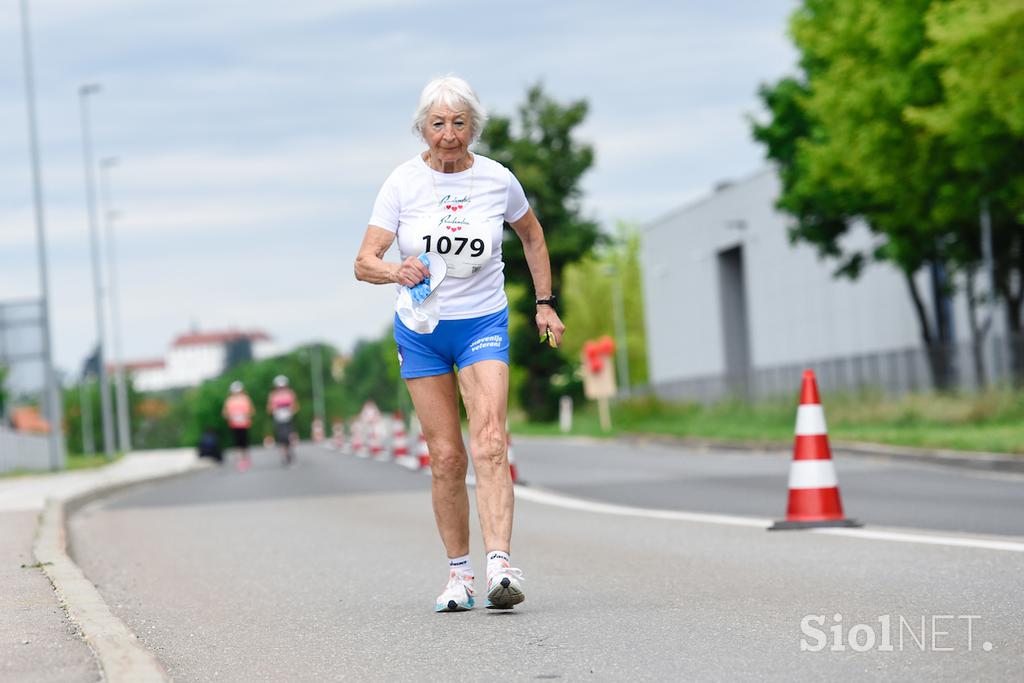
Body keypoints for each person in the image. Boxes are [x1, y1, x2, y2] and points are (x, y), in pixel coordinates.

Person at [354, 75, 565, 612]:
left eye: (459, 123)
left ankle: (500, 567)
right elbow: (363, 262)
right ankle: (459, 576)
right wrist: (394, 271)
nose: (448, 134)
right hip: (423, 331)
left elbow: (532, 235)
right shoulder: (402, 183)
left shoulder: (497, 180)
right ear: (422, 128)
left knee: (490, 441)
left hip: (482, 323)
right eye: (438, 124)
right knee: (446, 457)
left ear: (474, 126)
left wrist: (544, 302)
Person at [222, 381, 255, 472]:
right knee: (238, 444)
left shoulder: (245, 399)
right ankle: (240, 461)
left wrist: (245, 415)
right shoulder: (229, 401)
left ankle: (246, 458)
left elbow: (251, 411)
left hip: (244, 424)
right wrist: (231, 416)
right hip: (234, 425)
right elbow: (225, 413)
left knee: (245, 442)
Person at [267, 374, 300, 466]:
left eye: (283, 386)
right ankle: (285, 456)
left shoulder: (290, 393)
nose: (281, 388)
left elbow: (295, 405)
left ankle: (291, 452)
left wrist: (290, 410)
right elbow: (269, 408)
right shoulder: (273, 395)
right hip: (279, 419)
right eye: (279, 387)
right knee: (282, 438)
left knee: (290, 436)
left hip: (289, 418)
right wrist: (275, 411)